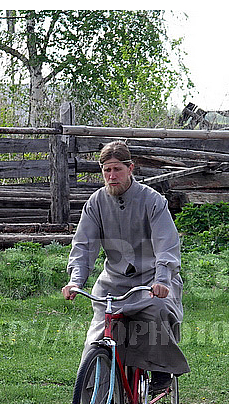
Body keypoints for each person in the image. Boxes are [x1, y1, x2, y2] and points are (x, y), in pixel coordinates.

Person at [62, 141, 189, 390]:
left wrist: (162, 280)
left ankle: (160, 372)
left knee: (157, 312)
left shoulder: (153, 201)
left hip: (152, 279)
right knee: (96, 343)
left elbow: (166, 244)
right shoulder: (96, 203)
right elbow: (84, 245)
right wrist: (76, 280)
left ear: (130, 168)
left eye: (117, 169)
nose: (111, 176)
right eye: (106, 170)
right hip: (113, 283)